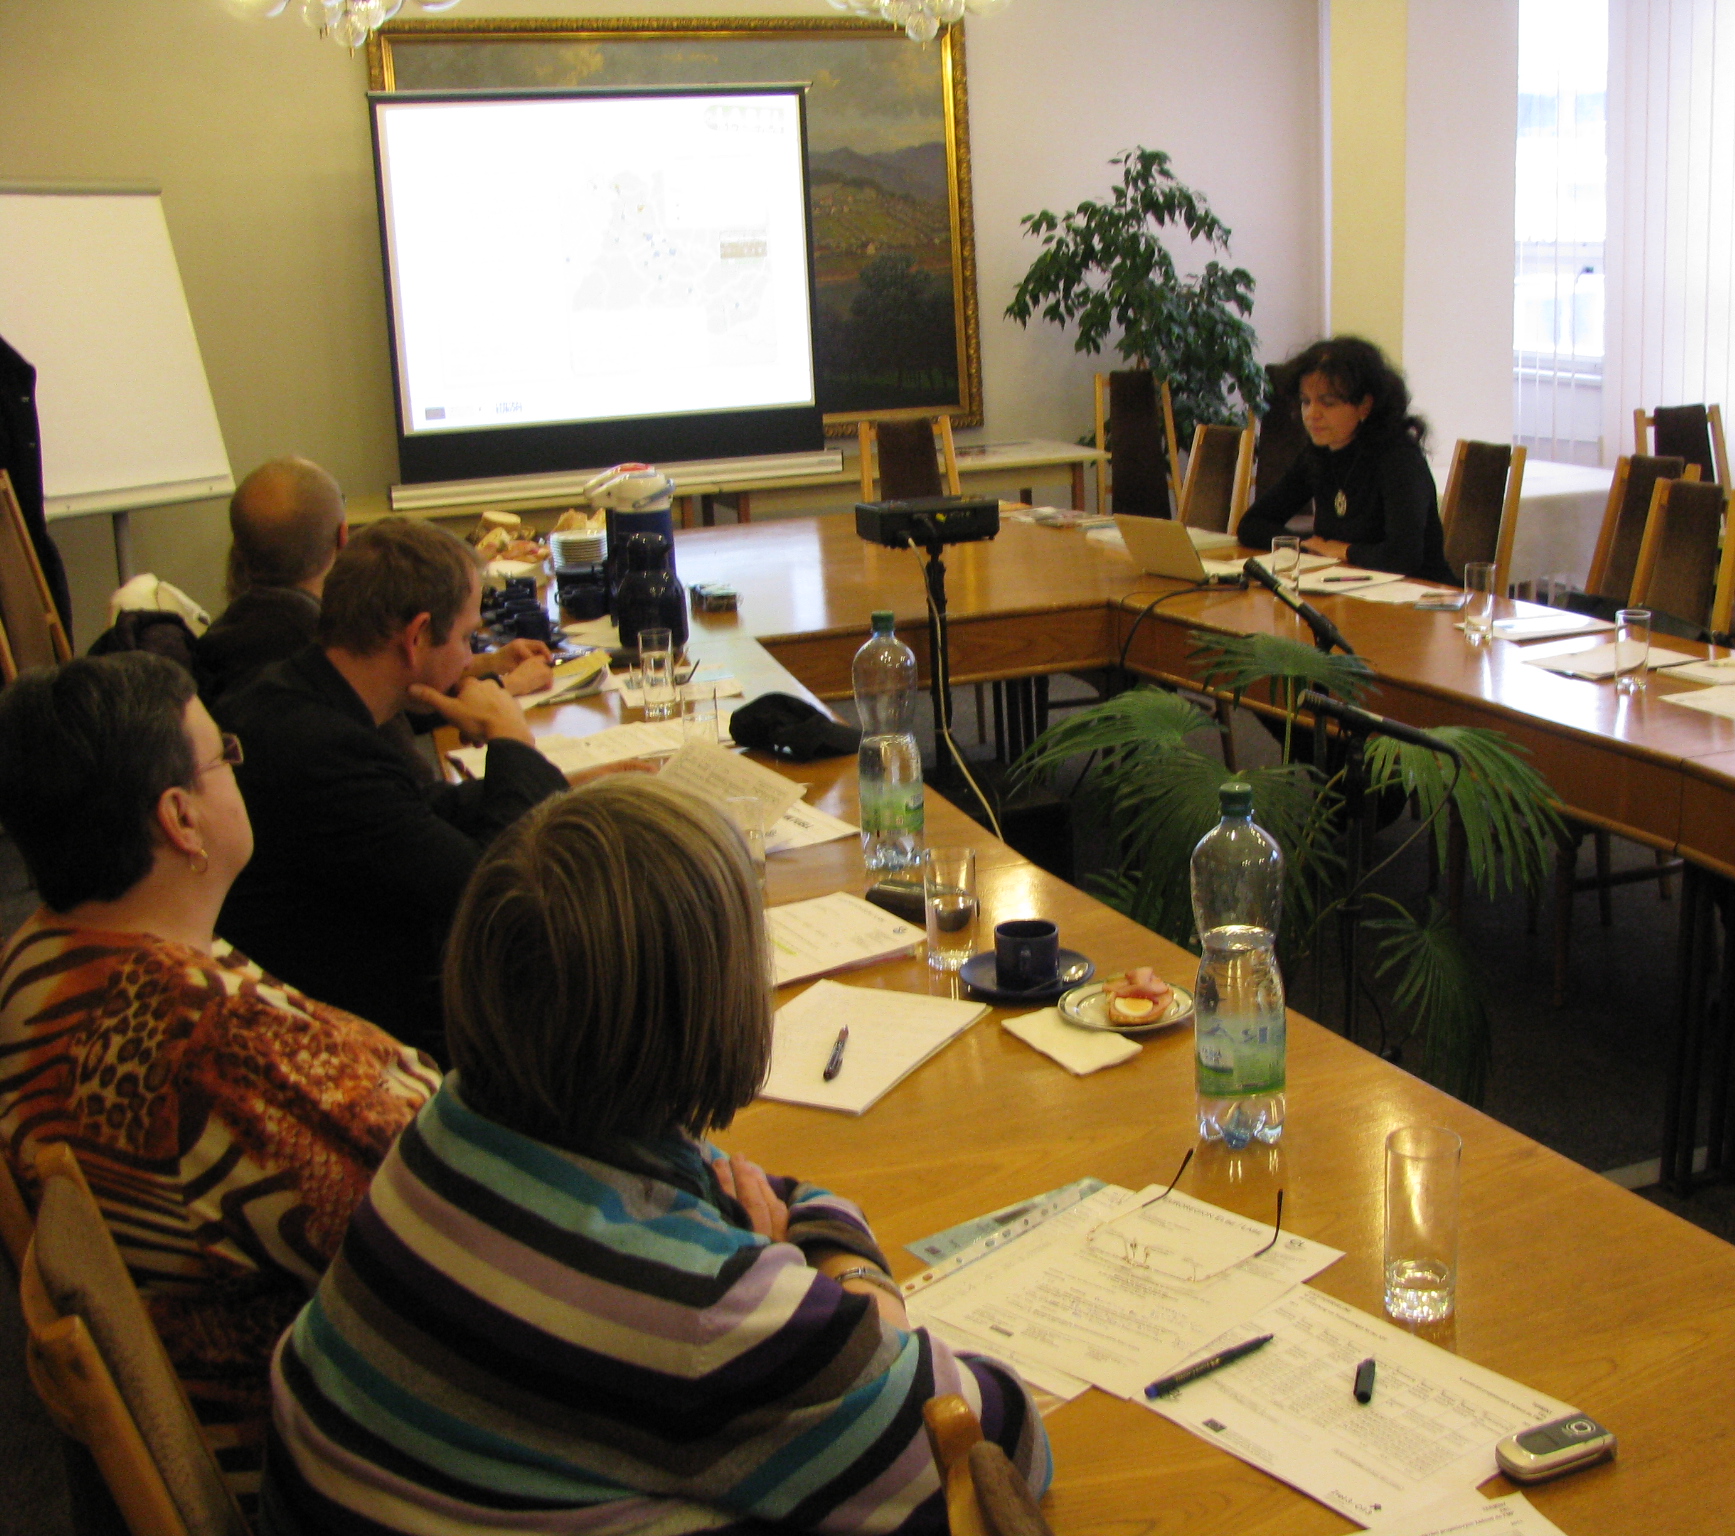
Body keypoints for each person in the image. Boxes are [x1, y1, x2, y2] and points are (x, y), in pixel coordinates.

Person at [263, 777, 1051, 1535]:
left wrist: (783, 1263)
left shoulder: (457, 1124)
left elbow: (754, 1188)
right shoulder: (701, 1310)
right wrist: (862, 1295)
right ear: (717, 1006)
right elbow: (1001, 1451)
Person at [0, 653, 438, 1504]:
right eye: (224, 755)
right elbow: (455, 1242)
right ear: (180, 819)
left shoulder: (42, 954)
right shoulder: (209, 1047)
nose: (239, 766)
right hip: (351, 1449)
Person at [215, 518, 571, 1054]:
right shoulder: (322, 750)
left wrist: (571, 796)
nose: (469, 658)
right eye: (466, 637)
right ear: (417, 636)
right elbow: (495, 890)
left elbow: (415, 813)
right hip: (364, 1041)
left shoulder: (299, 694)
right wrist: (512, 742)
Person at [194, 456, 552, 704]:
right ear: (342, 539)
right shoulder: (316, 643)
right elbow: (399, 701)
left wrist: (487, 664)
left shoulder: (233, 633)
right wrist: (507, 686)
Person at [1235, 336, 1454, 583]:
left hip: (1422, 592)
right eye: (1306, 401)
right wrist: (1306, 545)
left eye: (1328, 403)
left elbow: (1403, 556)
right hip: (1348, 587)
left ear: (1364, 406)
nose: (1312, 414)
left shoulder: (1398, 457)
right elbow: (1252, 524)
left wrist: (1344, 551)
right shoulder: (1318, 453)